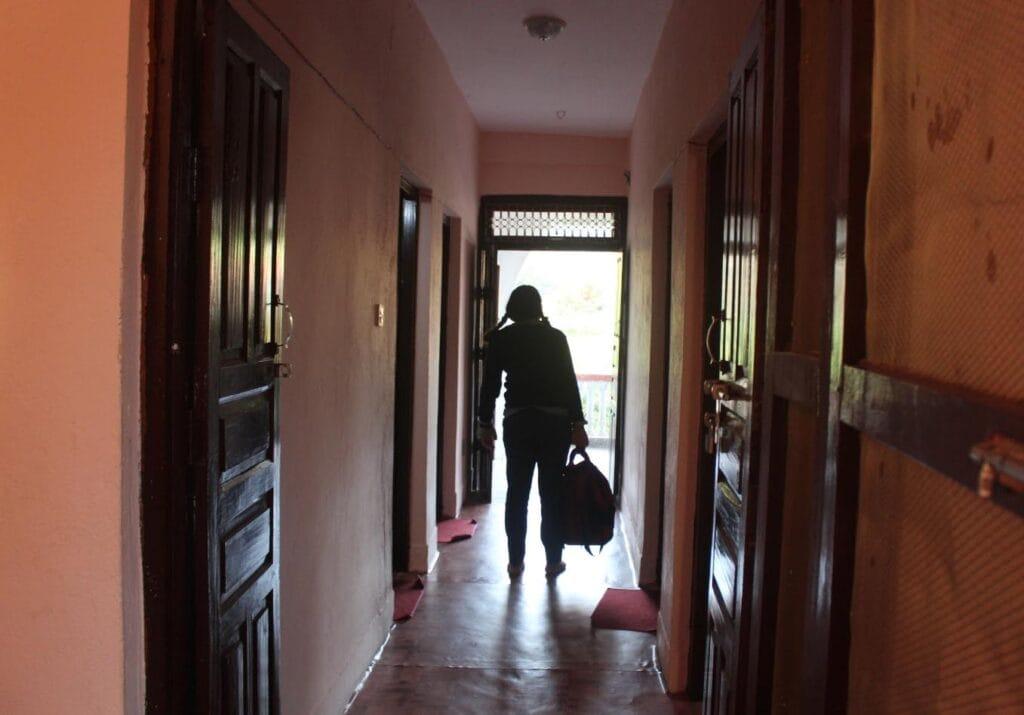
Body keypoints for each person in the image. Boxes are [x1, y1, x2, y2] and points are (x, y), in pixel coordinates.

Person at [476, 285, 589, 580]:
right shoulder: (556, 338)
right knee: (551, 495)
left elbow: (489, 386)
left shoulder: (502, 339)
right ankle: (553, 562)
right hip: (555, 426)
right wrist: (577, 424)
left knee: (517, 495)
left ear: (512, 310)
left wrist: (484, 423)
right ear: (538, 308)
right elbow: (569, 383)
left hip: (519, 424)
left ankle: (515, 563)